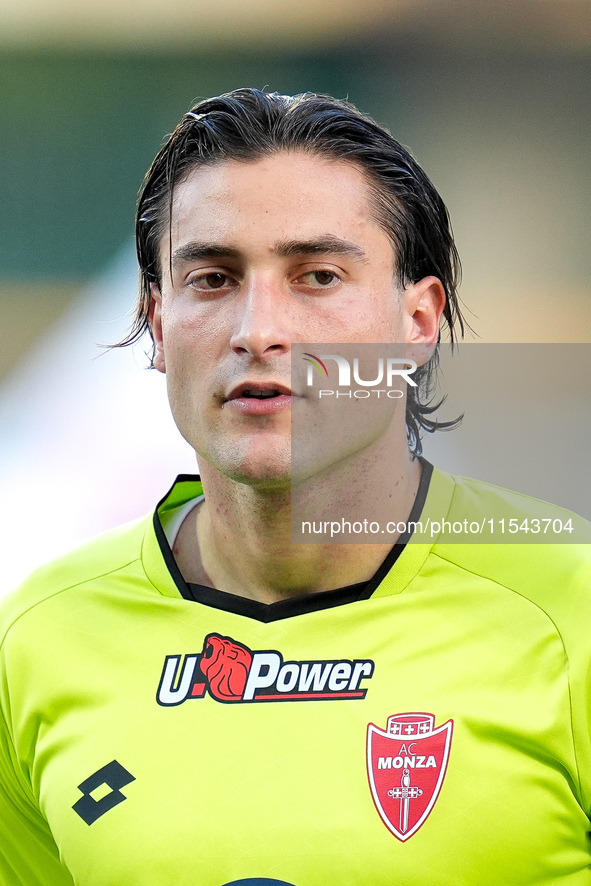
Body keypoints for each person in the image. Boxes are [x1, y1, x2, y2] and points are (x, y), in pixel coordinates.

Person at [0, 88, 590, 886]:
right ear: (158, 326)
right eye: (211, 278)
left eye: (316, 275)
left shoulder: (569, 613)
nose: (258, 329)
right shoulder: (37, 639)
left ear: (416, 323)